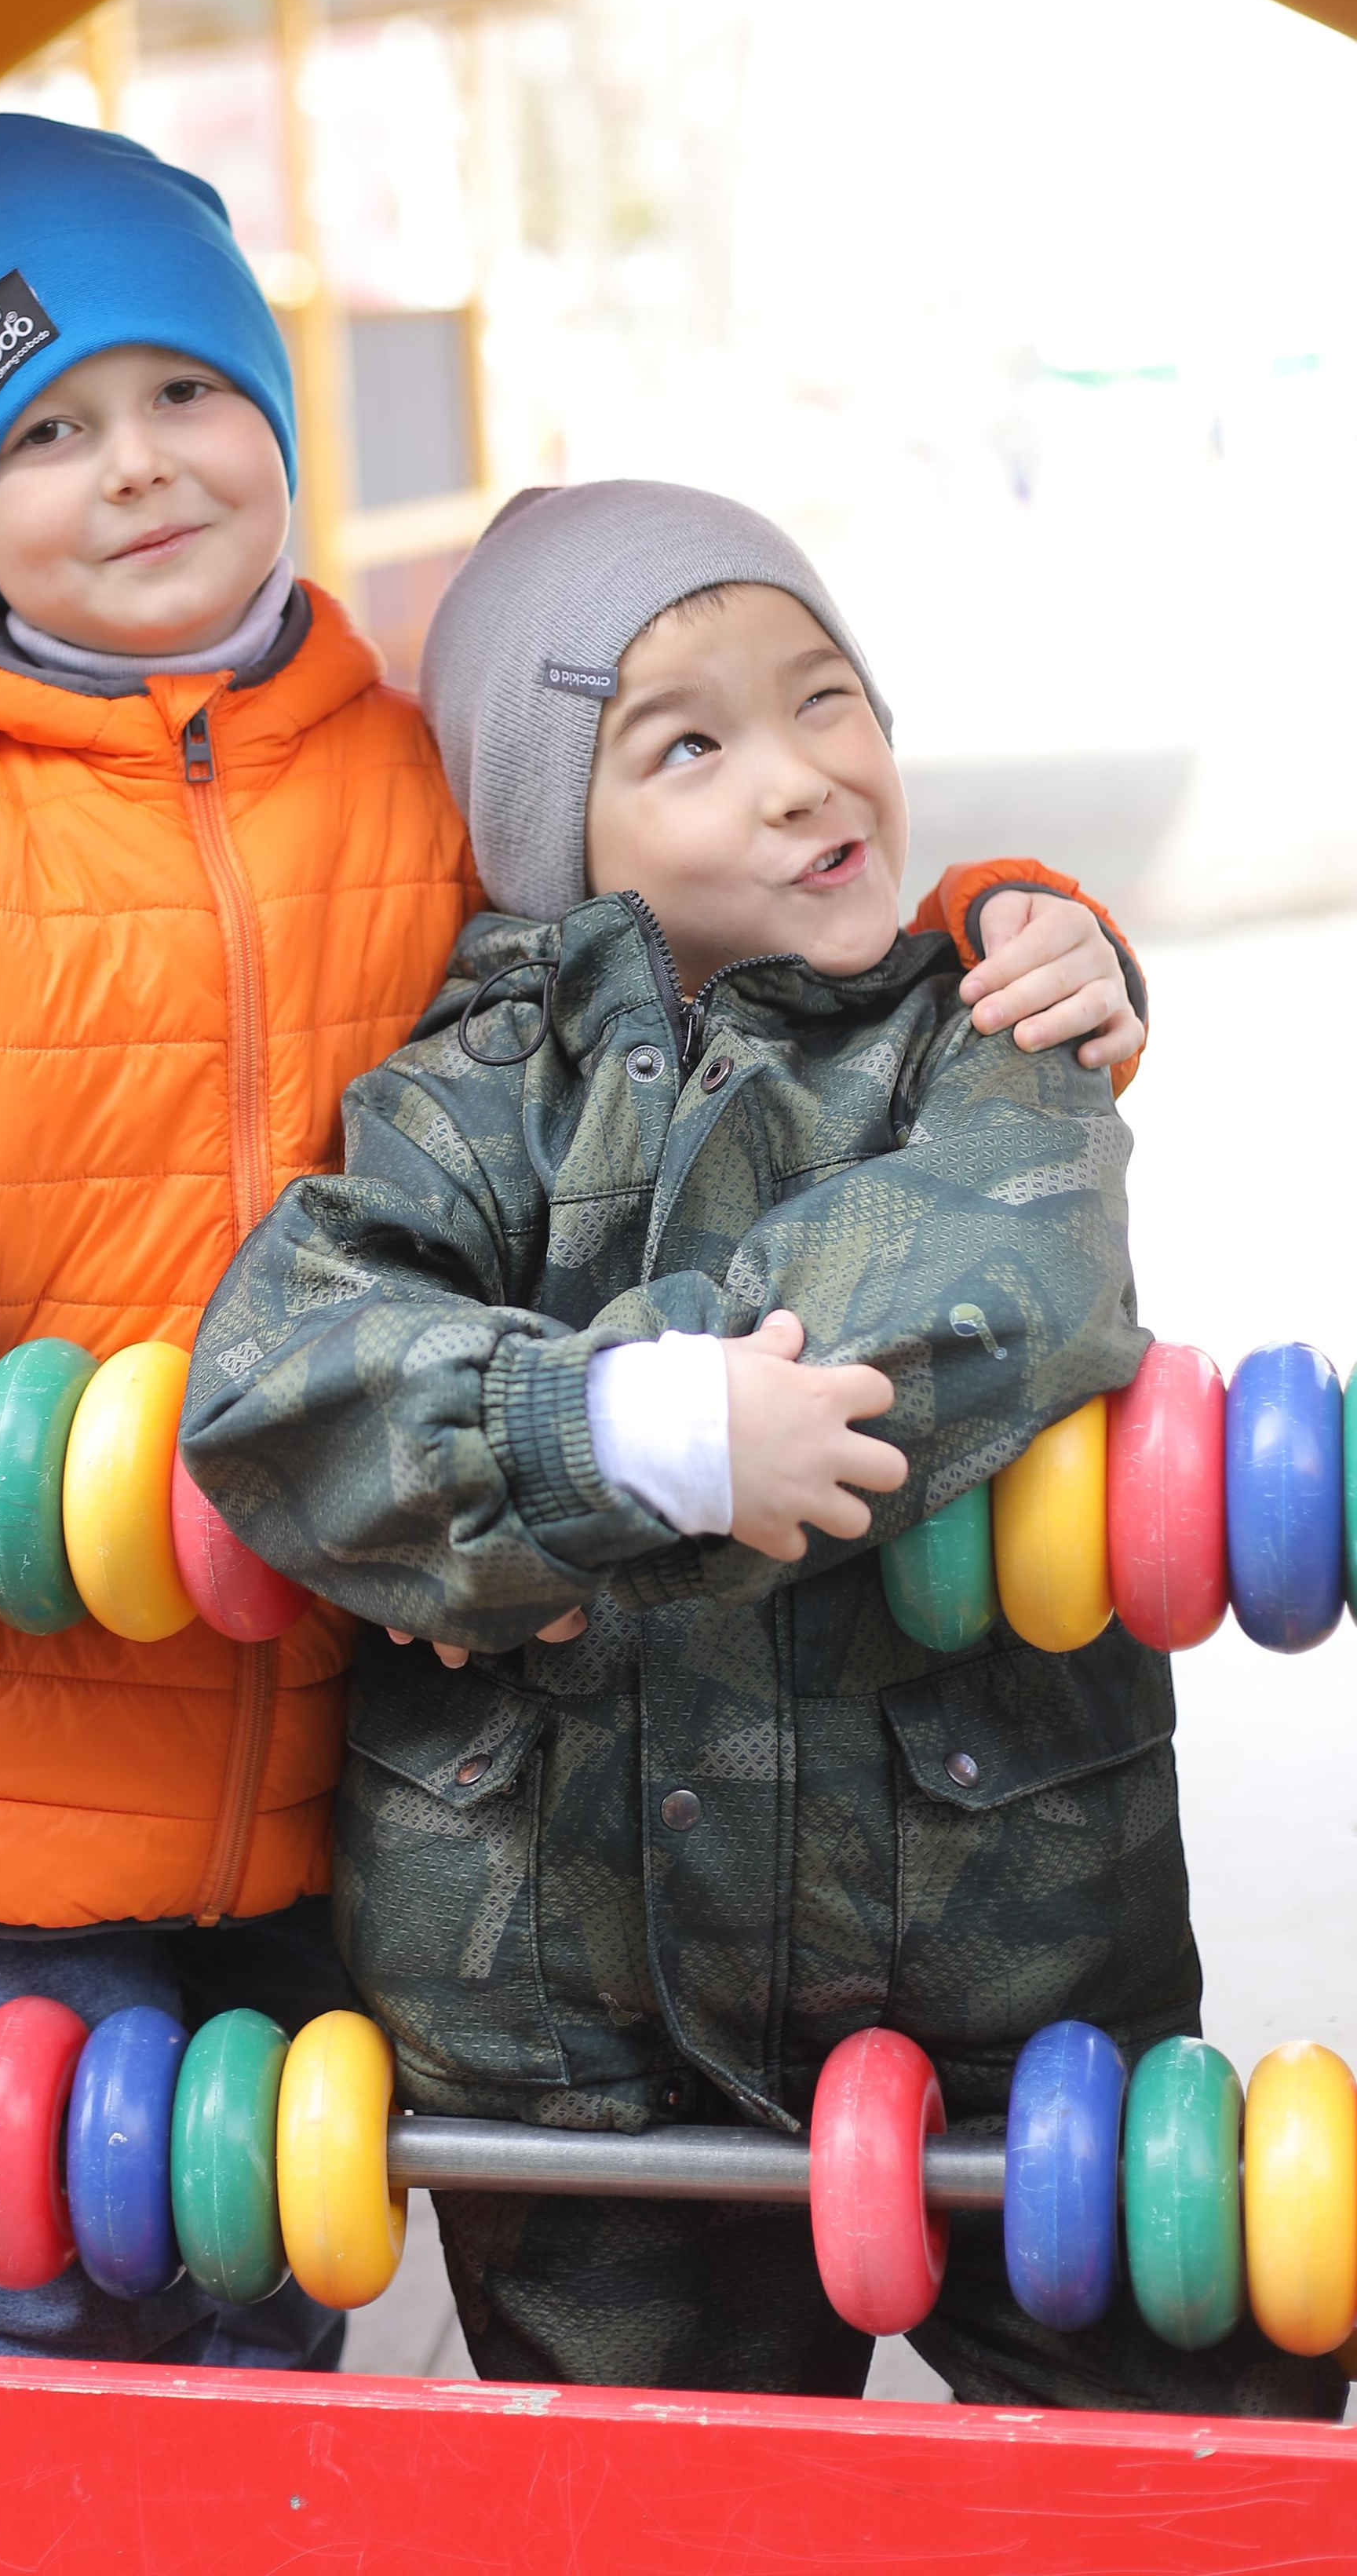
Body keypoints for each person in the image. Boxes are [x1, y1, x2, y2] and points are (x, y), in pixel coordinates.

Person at [0, 127, 1148, 2373]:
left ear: (274, 415)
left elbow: (716, 926)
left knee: (283, 2344)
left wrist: (1011, 925)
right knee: (94, 2366)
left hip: (355, 1732)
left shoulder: (411, 775)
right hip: (23, 1780)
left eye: (185, 393)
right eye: (44, 429)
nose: (133, 467)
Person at [181, 479, 1338, 2419]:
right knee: (650, 2510)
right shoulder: (459, 1108)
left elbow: (1007, 1263)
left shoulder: (982, 1024)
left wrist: (576, 1476)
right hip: (560, 2014)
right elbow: (276, 1390)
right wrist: (612, 1433)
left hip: (1012, 1976)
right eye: (692, 744)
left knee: (1171, 2457)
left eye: (828, 701)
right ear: (556, 835)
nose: (806, 776)